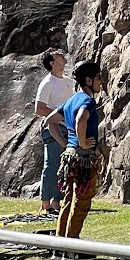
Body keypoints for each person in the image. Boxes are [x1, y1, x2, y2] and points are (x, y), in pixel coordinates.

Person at [54, 59, 104, 241]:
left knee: (68, 200)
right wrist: (82, 143)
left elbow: (49, 121)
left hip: (69, 156)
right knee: (81, 201)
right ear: (89, 80)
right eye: (99, 78)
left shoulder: (71, 100)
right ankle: (73, 243)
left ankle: (60, 243)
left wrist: (65, 143)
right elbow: (80, 120)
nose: (101, 82)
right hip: (82, 158)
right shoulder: (88, 101)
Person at [34, 48, 74, 215]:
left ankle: (57, 201)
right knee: (52, 164)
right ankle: (45, 202)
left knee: (65, 164)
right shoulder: (48, 82)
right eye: (57, 54)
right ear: (52, 63)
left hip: (68, 127)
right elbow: (39, 108)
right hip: (54, 128)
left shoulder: (68, 82)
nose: (61, 54)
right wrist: (59, 115)